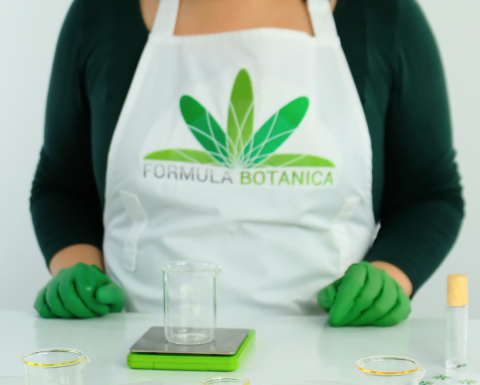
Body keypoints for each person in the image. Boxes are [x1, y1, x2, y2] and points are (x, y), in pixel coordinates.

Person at [31, 0, 464, 326]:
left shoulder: (383, 14)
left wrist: (389, 274)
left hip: (327, 372)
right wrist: (77, 272)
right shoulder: (101, 13)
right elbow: (62, 186)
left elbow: (430, 193)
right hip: (136, 364)